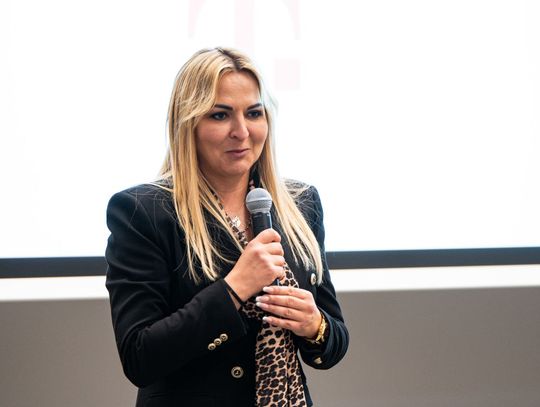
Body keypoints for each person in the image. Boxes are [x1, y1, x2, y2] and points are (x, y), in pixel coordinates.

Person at [105, 47, 349, 407]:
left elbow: (334, 341)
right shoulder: (143, 212)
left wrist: (314, 325)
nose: (241, 131)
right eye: (220, 115)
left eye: (254, 113)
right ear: (188, 124)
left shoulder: (300, 204)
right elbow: (140, 357)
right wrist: (234, 289)